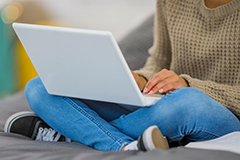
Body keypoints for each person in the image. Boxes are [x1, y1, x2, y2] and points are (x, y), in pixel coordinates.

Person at [4, 0, 240, 151]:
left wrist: (189, 84)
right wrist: (140, 80)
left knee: (189, 102)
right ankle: (124, 147)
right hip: (163, 102)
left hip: (213, 112)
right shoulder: (172, 2)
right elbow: (157, 62)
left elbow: (191, 94)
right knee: (41, 86)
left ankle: (73, 132)